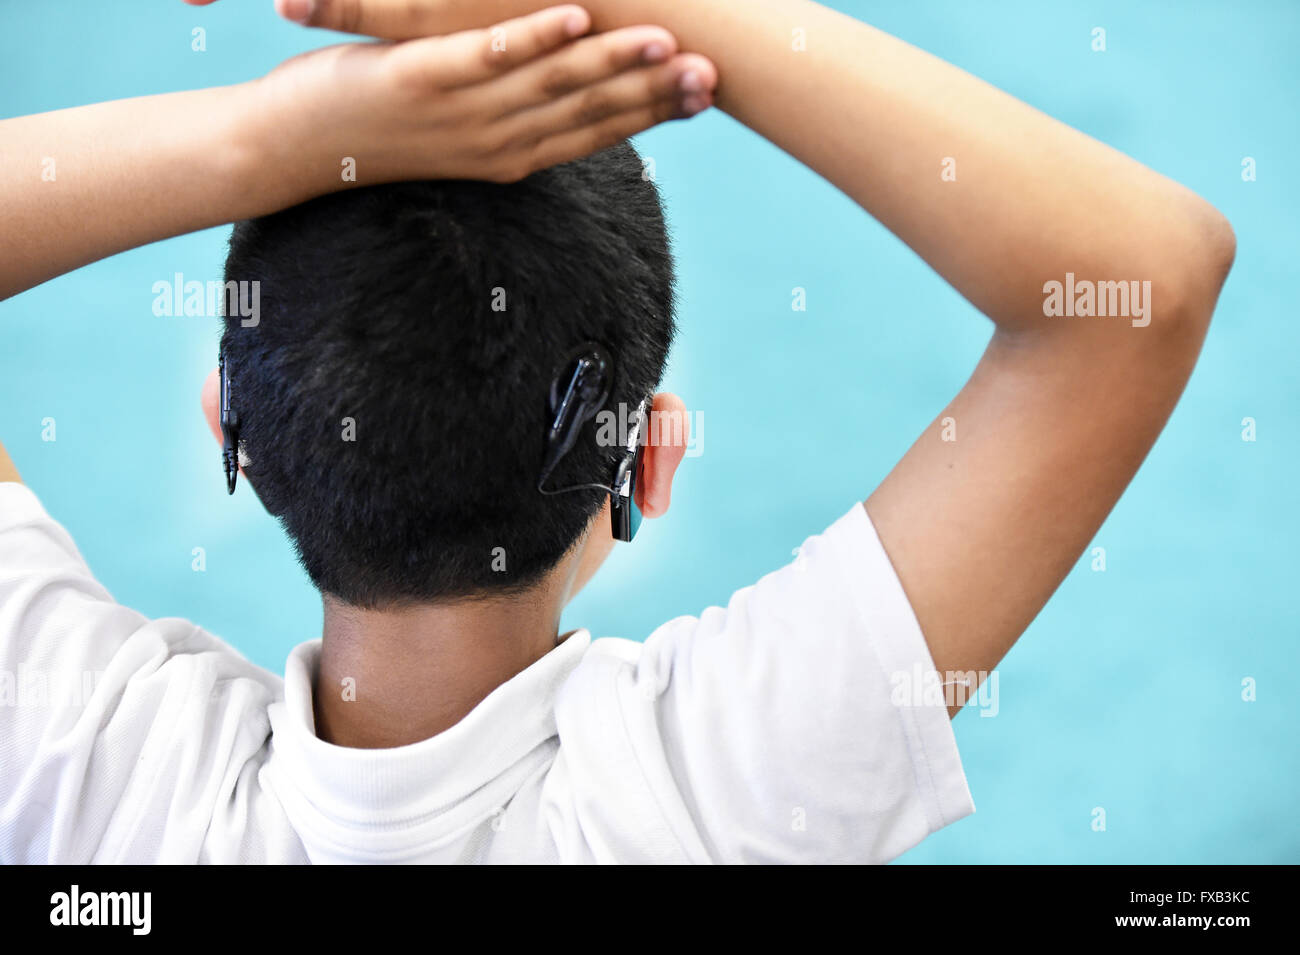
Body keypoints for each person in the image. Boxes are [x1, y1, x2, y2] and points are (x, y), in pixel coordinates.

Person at [0, 0, 1234, 863]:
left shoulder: (89, 771)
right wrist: (630, 7)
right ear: (650, 456)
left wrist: (263, 138)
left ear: (235, 431)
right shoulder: (718, 795)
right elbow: (1147, 282)